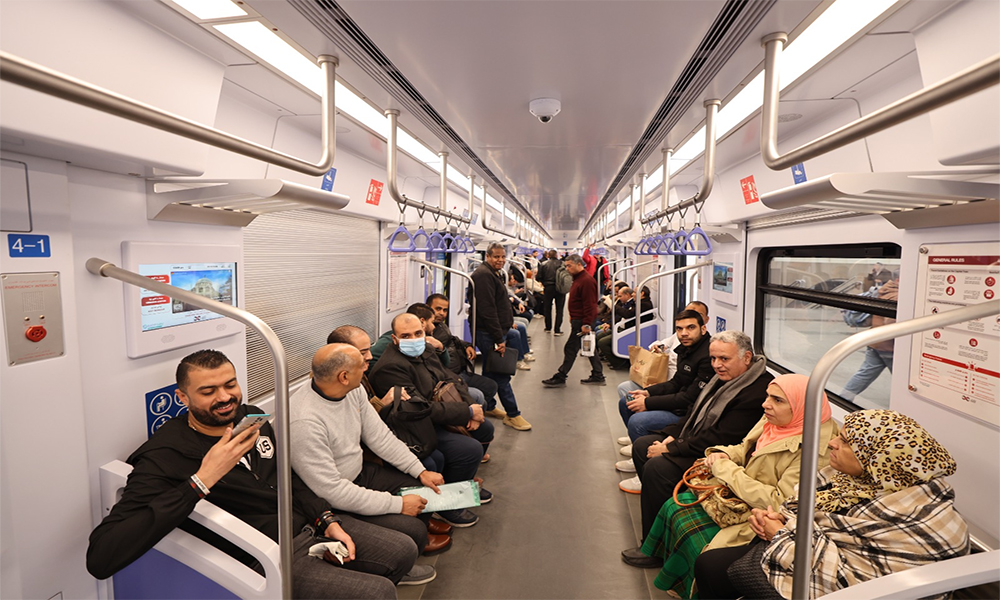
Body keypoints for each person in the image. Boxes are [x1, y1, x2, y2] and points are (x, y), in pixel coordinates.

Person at [87, 349, 429, 597]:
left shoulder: (250, 418)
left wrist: (326, 519)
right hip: (264, 555)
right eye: (208, 391)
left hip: (304, 525)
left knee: (402, 549)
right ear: (183, 397)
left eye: (230, 384)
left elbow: (286, 475)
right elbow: (101, 557)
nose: (225, 398)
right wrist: (202, 480)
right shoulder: (164, 455)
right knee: (377, 593)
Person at [695, 410, 969, 600]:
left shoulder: (922, 520)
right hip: (797, 546)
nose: (832, 444)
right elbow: (797, 510)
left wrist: (779, 533)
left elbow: (850, 581)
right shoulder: (847, 478)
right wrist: (778, 521)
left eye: (846, 442)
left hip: (833, 583)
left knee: (713, 567)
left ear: (879, 459)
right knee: (710, 565)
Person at [628, 374, 838, 598]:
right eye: (768, 396)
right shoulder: (777, 421)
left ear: (802, 406)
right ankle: (673, 573)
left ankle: (689, 583)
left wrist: (725, 469)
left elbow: (779, 502)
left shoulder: (815, 451)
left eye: (777, 400)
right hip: (741, 487)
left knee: (697, 540)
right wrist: (724, 453)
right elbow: (746, 447)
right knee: (673, 506)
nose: (765, 404)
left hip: (759, 512)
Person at [289, 343, 453, 557]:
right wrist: (398, 504)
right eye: (361, 365)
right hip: (334, 494)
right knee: (411, 528)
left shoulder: (354, 389)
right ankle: (415, 542)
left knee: (420, 488)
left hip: (358, 472)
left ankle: (420, 534)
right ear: (344, 377)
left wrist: (419, 470)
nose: (367, 367)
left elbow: (380, 436)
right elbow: (333, 491)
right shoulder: (305, 421)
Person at [620, 330, 773, 542]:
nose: (717, 365)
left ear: (746, 358)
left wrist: (671, 448)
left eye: (724, 359)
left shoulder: (756, 390)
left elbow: (721, 437)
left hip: (718, 453)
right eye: (713, 358)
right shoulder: (722, 379)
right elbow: (694, 412)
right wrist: (672, 435)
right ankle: (659, 515)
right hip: (699, 439)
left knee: (658, 468)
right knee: (642, 446)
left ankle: (656, 543)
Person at [368, 313, 494, 527]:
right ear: (395, 339)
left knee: (485, 428)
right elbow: (419, 408)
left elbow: (452, 379)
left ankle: (462, 485)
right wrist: (466, 413)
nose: (414, 339)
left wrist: (472, 407)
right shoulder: (390, 368)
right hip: (416, 425)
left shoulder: (425, 350)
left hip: (437, 414)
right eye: (405, 336)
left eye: (418, 333)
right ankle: (448, 504)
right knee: (470, 449)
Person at [615, 309, 714, 475]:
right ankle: (639, 451)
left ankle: (645, 470)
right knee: (626, 401)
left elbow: (689, 398)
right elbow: (676, 383)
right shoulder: (686, 349)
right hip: (679, 404)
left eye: (690, 328)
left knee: (638, 422)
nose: (684, 333)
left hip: (689, 413)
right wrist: (647, 393)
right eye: (679, 329)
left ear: (703, 329)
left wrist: (648, 403)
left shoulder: (708, 356)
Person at [470, 243, 532, 430]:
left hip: (495, 331)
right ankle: (513, 414)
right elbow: (487, 310)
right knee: (501, 374)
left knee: (490, 372)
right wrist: (499, 339)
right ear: (487, 256)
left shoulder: (493, 273)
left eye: (503, 257)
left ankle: (488, 406)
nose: (501, 260)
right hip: (488, 333)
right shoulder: (483, 275)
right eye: (496, 256)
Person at [426, 293, 499, 410]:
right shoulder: (427, 331)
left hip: (460, 371)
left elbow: (452, 338)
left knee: (491, 386)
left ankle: (487, 409)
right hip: (450, 376)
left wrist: (466, 345)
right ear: (428, 308)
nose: (442, 313)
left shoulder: (441, 326)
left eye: (445, 310)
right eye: (438, 309)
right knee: (479, 397)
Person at [542, 254, 605, 387]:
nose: (567, 269)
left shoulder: (586, 281)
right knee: (590, 348)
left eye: (569, 266)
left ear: (579, 265)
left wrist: (586, 323)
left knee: (571, 348)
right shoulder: (578, 279)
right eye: (566, 266)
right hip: (579, 319)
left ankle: (561, 375)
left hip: (583, 321)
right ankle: (598, 374)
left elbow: (590, 304)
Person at [841, 276, 899, 401]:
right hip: (889, 347)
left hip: (875, 341)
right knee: (902, 379)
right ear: (898, 280)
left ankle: (844, 397)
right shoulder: (897, 295)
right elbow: (891, 322)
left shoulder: (883, 291)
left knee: (865, 373)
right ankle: (905, 406)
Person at [370, 304, 449, 367]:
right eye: (432, 322)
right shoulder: (387, 342)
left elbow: (444, 366)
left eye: (418, 334)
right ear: (422, 322)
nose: (434, 327)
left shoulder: (425, 342)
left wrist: (441, 347)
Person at [537, 250, 566, 334]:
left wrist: (544, 283)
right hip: (560, 288)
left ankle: (548, 327)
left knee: (547, 308)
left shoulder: (543, 264)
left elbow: (538, 277)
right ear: (556, 255)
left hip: (548, 288)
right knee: (559, 309)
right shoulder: (562, 264)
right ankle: (557, 330)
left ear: (548, 256)